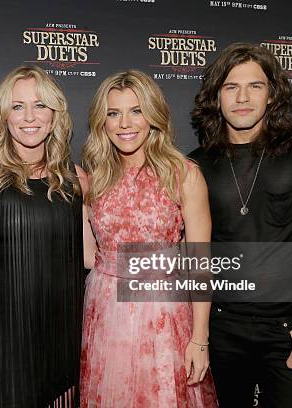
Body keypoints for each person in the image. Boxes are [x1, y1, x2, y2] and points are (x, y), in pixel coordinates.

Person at [189, 42, 292, 407]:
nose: (242, 97)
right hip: (222, 330)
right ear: (216, 96)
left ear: (272, 93)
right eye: (230, 87)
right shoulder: (195, 165)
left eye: (255, 86)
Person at [0, 65, 93, 407]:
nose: (30, 117)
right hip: (7, 340)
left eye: (40, 105)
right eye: (17, 106)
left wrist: (159, 266)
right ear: (3, 116)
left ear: (55, 116)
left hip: (62, 333)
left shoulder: (76, 179)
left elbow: (91, 255)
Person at [80, 70, 218, 407]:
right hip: (106, 310)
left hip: (164, 314)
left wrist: (200, 339)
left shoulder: (183, 174)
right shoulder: (92, 176)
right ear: (102, 121)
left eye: (136, 110)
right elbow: (87, 256)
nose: (124, 123)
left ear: (153, 115)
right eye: (113, 113)